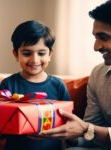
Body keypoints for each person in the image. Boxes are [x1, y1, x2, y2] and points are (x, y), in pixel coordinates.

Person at [39, 1, 111, 150]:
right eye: (95, 37)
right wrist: (68, 135)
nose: (96, 47)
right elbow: (92, 133)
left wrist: (86, 129)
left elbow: (89, 129)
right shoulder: (98, 75)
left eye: (103, 37)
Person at [0, 20, 70, 150]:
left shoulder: (58, 85)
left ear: (50, 54)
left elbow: (68, 126)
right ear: (16, 54)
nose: (34, 60)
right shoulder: (8, 84)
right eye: (26, 53)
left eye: (41, 53)